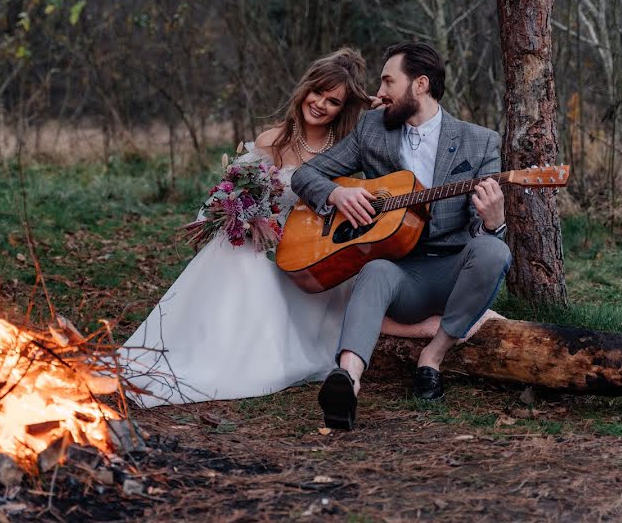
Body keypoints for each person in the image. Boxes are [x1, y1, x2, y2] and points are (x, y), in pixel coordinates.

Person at [119, 47, 451, 407]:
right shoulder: (270, 141)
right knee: (241, 260)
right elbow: (237, 190)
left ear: (344, 108)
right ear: (304, 90)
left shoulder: (343, 145)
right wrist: (242, 216)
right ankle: (217, 348)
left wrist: (377, 102)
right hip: (264, 239)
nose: (321, 104)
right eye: (317, 93)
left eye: (334, 101)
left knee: (321, 275)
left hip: (312, 245)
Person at [291, 41, 512, 430]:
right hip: (399, 272)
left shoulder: (481, 142)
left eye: (388, 81)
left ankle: (433, 358)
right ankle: (347, 381)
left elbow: (483, 232)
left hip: (451, 272)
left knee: (493, 250)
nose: (379, 92)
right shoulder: (373, 129)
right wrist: (336, 193)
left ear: (420, 84)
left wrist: (494, 222)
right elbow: (305, 175)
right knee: (375, 270)